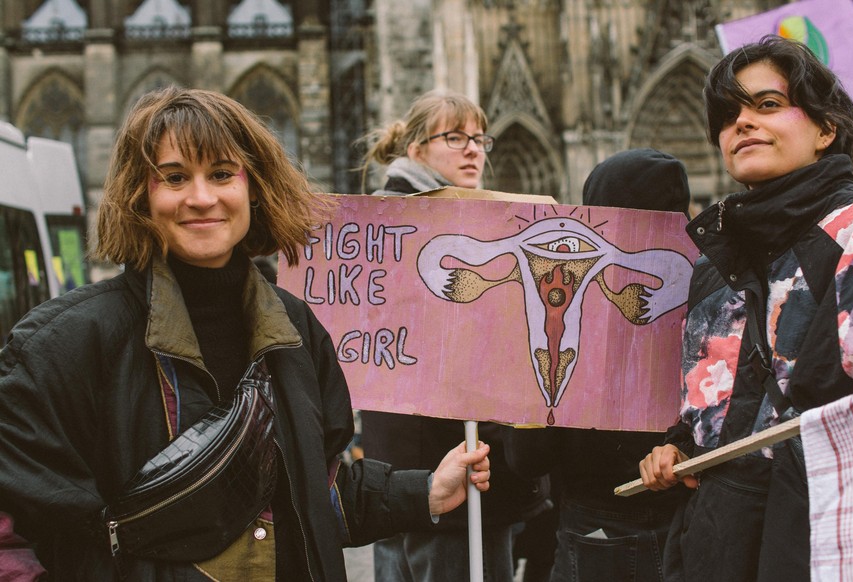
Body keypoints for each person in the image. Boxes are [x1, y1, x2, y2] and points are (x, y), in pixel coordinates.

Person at [0, 86, 493, 581]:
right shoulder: (63, 345)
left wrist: (424, 490)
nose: (201, 197)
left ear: (253, 186)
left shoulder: (298, 329)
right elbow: (13, 532)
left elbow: (310, 490)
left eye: (220, 174)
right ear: (139, 193)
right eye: (174, 177)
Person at [638, 35, 853, 581]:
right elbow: (713, 402)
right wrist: (677, 447)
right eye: (727, 114)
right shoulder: (716, 261)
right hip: (717, 536)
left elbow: (841, 405)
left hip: (822, 536)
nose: (741, 122)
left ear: (825, 128)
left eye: (767, 105)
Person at [359, 89, 551, 581]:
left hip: (400, 470)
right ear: (417, 149)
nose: (474, 149)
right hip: (450, 466)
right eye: (455, 137)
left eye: (479, 138)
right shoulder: (409, 225)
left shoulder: (406, 221)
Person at [505, 148, 691, 582]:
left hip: (597, 529)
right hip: (693, 523)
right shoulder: (720, 291)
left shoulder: (560, 311)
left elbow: (528, 457)